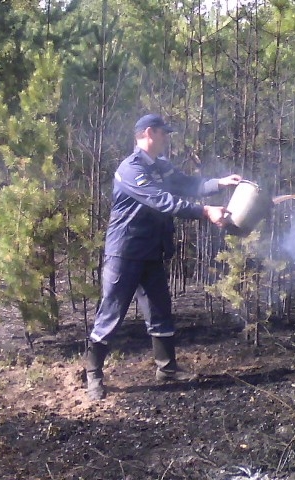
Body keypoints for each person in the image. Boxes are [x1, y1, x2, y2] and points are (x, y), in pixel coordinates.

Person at [84, 114, 242, 401]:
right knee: (111, 313)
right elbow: (162, 201)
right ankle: (93, 374)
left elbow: (187, 184)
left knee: (160, 310)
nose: (167, 138)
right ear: (149, 133)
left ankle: (167, 368)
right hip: (125, 252)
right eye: (163, 133)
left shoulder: (162, 165)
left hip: (152, 251)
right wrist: (205, 211)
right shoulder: (131, 169)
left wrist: (219, 183)